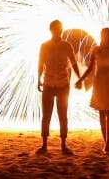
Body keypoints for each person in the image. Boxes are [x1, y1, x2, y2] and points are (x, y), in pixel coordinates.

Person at [36, 19, 81, 155]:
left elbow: (73, 63)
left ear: (61, 30)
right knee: (46, 115)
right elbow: (40, 63)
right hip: (48, 83)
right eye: (55, 28)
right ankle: (44, 145)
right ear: (51, 30)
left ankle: (63, 145)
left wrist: (79, 78)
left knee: (63, 115)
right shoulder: (44, 46)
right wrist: (38, 79)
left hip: (62, 85)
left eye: (59, 28)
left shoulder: (67, 46)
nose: (57, 31)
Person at [75, 27, 109, 153]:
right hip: (100, 83)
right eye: (103, 36)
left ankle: (108, 143)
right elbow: (90, 68)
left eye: (106, 36)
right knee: (102, 112)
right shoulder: (96, 50)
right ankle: (105, 140)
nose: (104, 38)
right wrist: (81, 79)